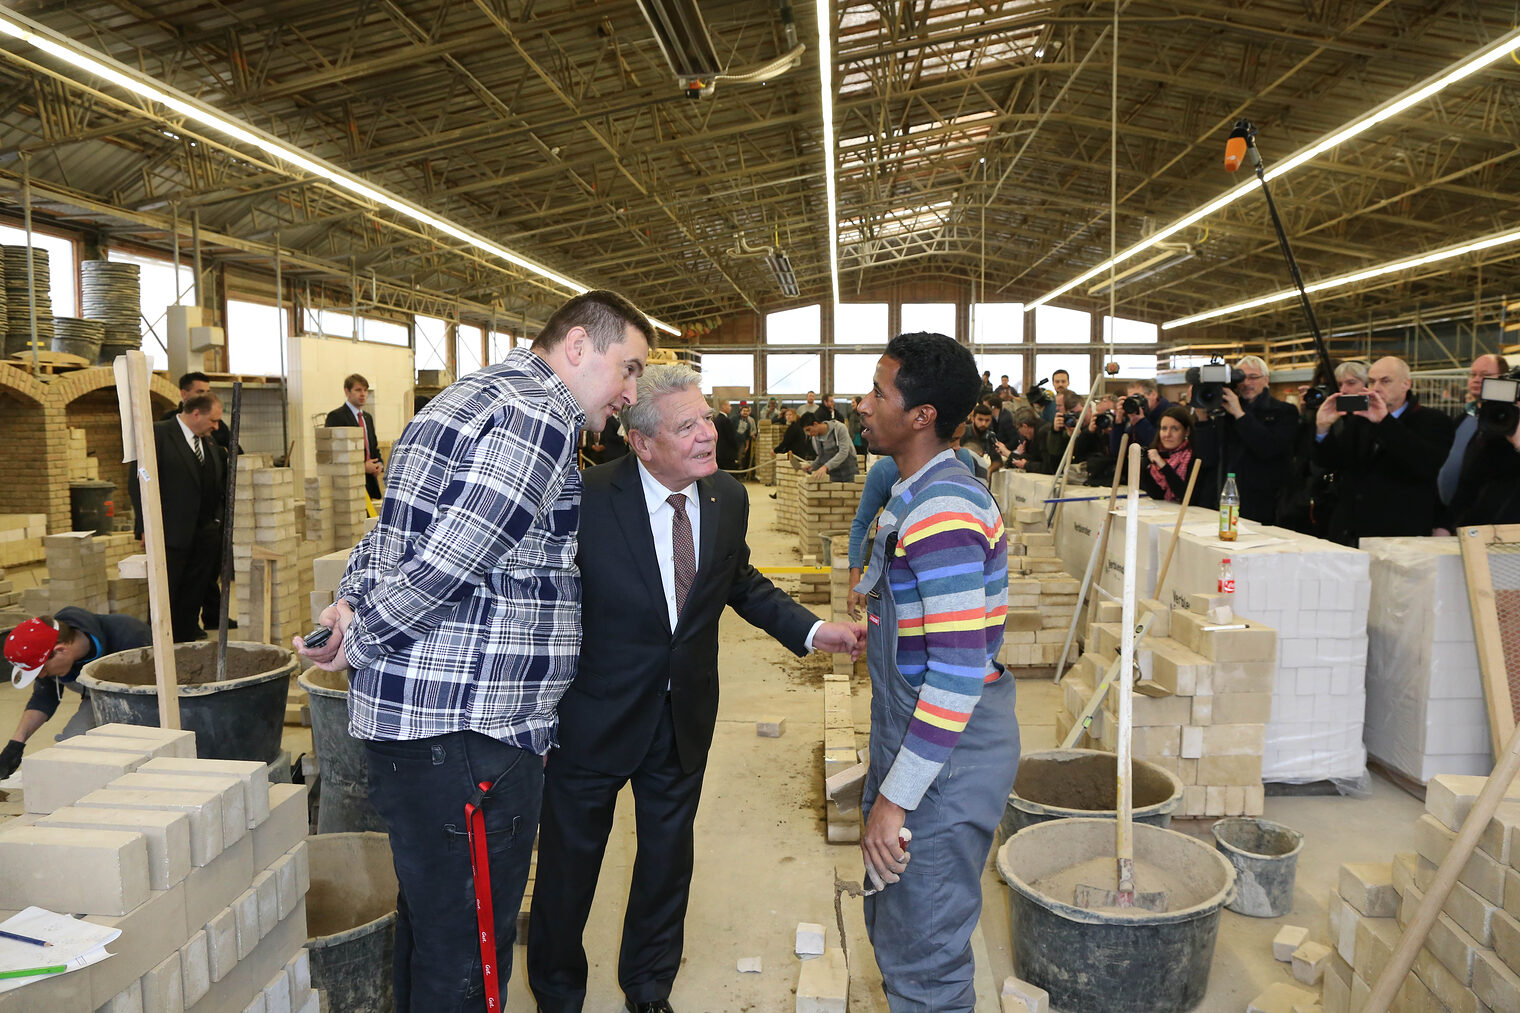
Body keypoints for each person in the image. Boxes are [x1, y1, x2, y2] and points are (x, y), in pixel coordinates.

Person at [295, 290, 654, 1013]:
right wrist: (357, 633)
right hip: (469, 734)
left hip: (420, 733)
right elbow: (448, 564)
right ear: (579, 346)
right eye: (630, 367)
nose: (631, 392)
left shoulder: (471, 396)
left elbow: (390, 536)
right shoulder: (538, 417)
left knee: (435, 931)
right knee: (471, 957)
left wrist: (345, 609)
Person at [526, 366, 863, 1013]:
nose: (711, 432)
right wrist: (533, 711)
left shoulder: (726, 499)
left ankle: (649, 984)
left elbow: (741, 583)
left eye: (706, 418)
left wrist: (815, 631)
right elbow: (541, 609)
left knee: (665, 858)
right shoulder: (585, 500)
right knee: (569, 870)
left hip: (682, 716)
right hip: (592, 719)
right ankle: (558, 992)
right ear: (643, 443)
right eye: (689, 426)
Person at [852, 332, 1018, 1010]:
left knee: (927, 959)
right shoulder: (914, 490)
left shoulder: (943, 509)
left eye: (880, 392)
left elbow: (954, 676)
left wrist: (897, 798)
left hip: (943, 762)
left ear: (921, 416)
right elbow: (934, 626)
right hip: (919, 742)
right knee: (901, 926)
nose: (863, 405)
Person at [1312, 355, 1455, 546]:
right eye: (1371, 381)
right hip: (1350, 531)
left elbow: (1424, 465)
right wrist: (1322, 429)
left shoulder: (1434, 421)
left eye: (1385, 381)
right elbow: (1333, 463)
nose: (1376, 387)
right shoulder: (1360, 420)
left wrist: (1385, 422)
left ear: (1406, 384)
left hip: (1399, 535)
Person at [0, 609, 152, 777]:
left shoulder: (131, 636)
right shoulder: (47, 646)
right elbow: (44, 698)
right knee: (71, 744)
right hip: (97, 698)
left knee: (134, 748)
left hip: (147, 699)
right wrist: (16, 743)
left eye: (42, 670)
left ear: (62, 650)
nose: (42, 676)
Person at [128, 393, 226, 643]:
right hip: (171, 531)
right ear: (196, 414)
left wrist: (215, 521)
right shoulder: (158, 434)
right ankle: (160, 640)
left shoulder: (208, 441)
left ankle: (186, 634)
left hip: (204, 532)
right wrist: (143, 526)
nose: (216, 426)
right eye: (213, 420)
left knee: (195, 588)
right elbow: (139, 479)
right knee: (167, 589)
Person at [1189, 355, 1298, 524]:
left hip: (1264, 504)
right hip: (1222, 499)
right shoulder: (1222, 412)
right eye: (1242, 377)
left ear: (1266, 380)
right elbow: (1207, 458)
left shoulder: (1284, 411)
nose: (1247, 383)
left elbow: (1269, 448)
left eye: (1254, 377)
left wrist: (1240, 415)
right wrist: (1202, 418)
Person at [1439, 353, 1508, 508]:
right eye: (1473, 374)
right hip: (1451, 516)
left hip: (1490, 519)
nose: (1476, 379)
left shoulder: (1509, 424)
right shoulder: (1462, 419)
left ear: (1504, 380)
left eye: (1485, 375)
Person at [326, 374, 385, 502]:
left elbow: (373, 447)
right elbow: (333, 454)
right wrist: (362, 466)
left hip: (370, 483)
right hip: (348, 485)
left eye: (365, 390)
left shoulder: (367, 418)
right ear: (347, 391)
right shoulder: (336, 416)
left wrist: (379, 464)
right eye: (358, 390)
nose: (363, 394)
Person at [1139, 406, 1207, 502]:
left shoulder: (1194, 457)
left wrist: (1163, 465)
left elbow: (1187, 497)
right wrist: (1142, 468)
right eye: (1164, 428)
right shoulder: (1157, 453)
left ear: (1186, 431)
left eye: (1174, 429)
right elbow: (1157, 495)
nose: (1167, 434)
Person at [803, 412, 858, 482]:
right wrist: (812, 466)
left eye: (809, 429)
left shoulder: (839, 428)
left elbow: (843, 453)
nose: (809, 434)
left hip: (849, 471)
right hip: (833, 474)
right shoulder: (815, 438)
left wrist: (825, 467)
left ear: (815, 424)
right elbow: (821, 457)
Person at [711, 399, 739, 471]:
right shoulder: (726, 420)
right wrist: (736, 448)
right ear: (723, 406)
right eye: (729, 405)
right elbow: (731, 438)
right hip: (727, 454)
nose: (731, 408)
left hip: (718, 452)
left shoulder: (716, 419)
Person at [733, 402, 756, 475]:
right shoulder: (734, 419)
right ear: (740, 411)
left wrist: (747, 446)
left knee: (740, 459)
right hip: (733, 443)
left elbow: (747, 436)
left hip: (742, 444)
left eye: (747, 411)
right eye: (744, 411)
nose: (745, 412)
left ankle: (739, 475)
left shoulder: (749, 422)